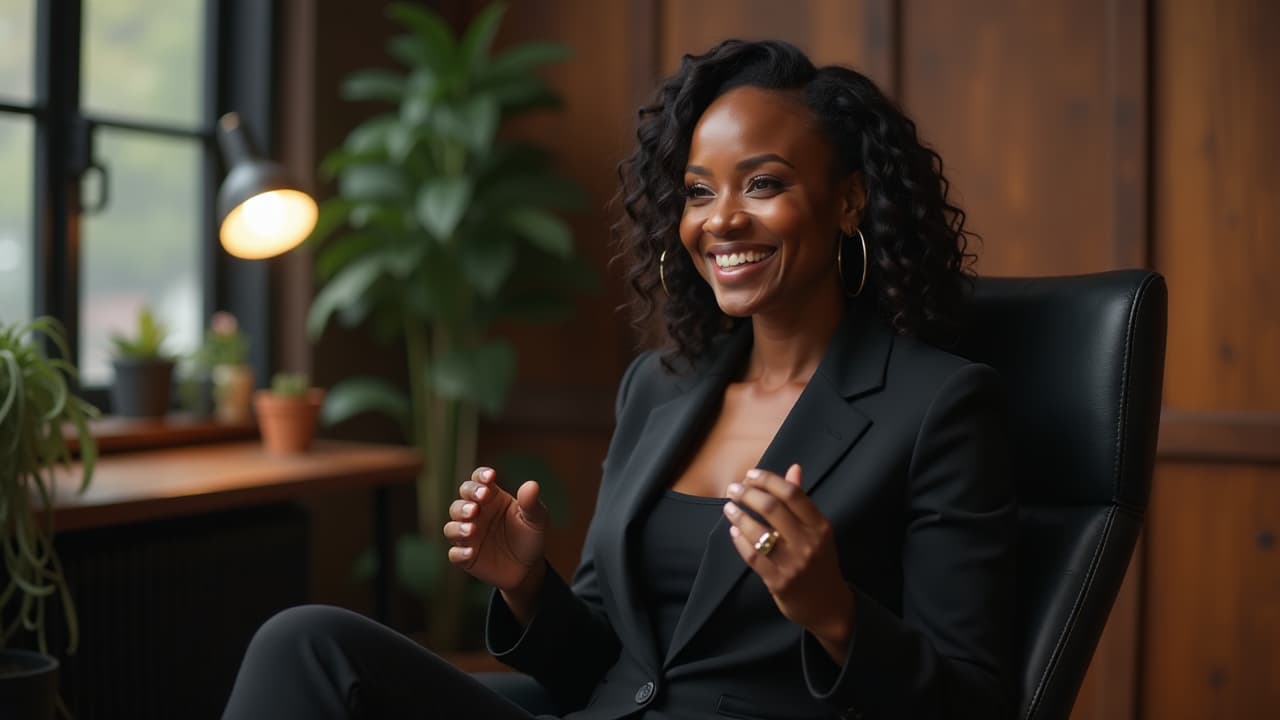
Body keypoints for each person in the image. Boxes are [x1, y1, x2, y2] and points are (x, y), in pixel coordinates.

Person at [223, 39, 1015, 720]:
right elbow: (607, 668)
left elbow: (974, 704)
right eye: (700, 191)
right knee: (307, 645)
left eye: (763, 184)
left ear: (850, 200)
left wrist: (835, 615)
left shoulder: (937, 406)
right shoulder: (660, 388)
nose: (722, 220)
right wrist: (528, 586)